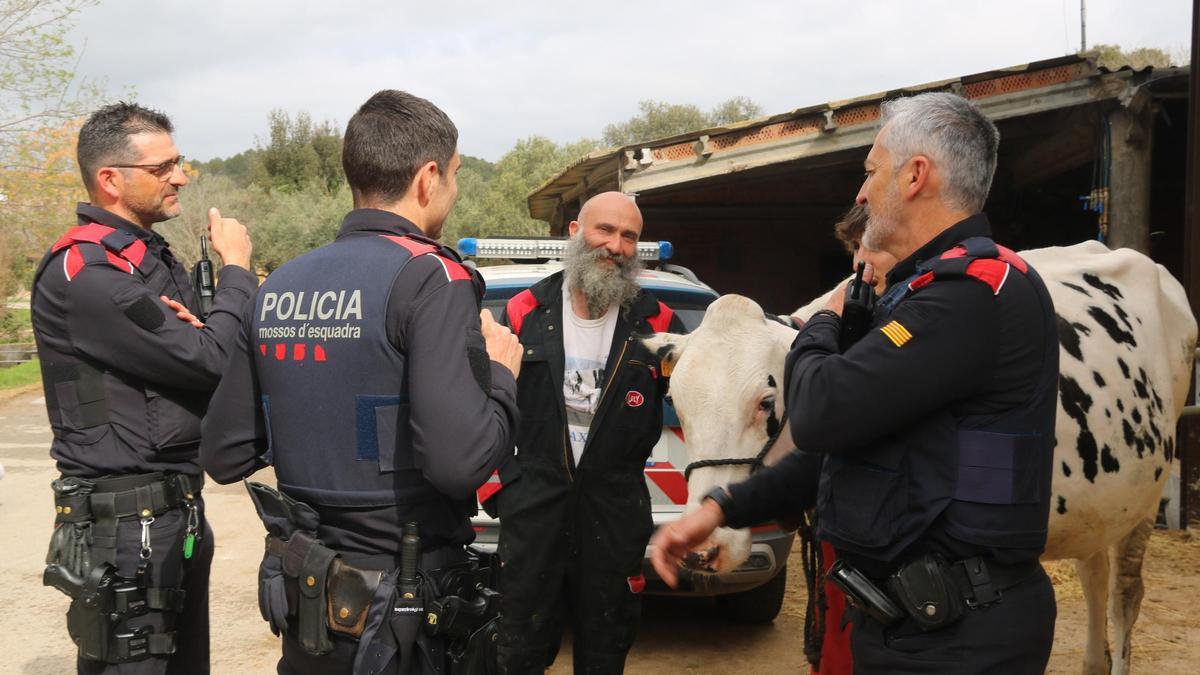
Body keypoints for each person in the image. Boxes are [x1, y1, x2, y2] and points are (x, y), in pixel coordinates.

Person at [653, 92, 1059, 674]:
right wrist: (720, 508)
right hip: (910, 626)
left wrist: (825, 319)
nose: (862, 193)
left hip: (959, 641)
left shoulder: (970, 294)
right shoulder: (927, 293)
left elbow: (820, 413)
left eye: (870, 172)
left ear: (916, 175)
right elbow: (836, 455)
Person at [199, 89, 523, 675]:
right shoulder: (432, 276)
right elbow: (458, 462)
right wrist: (502, 378)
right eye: (454, 175)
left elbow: (224, 452)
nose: (452, 189)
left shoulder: (279, 285)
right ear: (428, 178)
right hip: (403, 619)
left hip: (311, 607)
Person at [32, 102, 256, 674]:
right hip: (125, 530)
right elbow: (211, 358)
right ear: (110, 179)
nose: (179, 177)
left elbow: (206, 349)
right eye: (163, 168)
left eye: (179, 164)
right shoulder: (88, 274)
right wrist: (236, 271)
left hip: (173, 511)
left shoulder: (144, 260)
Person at [488, 192, 683, 674]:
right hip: (533, 516)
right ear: (575, 232)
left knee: (604, 653)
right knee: (518, 652)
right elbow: (482, 405)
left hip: (614, 518)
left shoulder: (659, 323)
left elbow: (703, 408)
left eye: (628, 236)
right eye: (605, 230)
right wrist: (502, 491)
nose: (615, 245)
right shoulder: (522, 312)